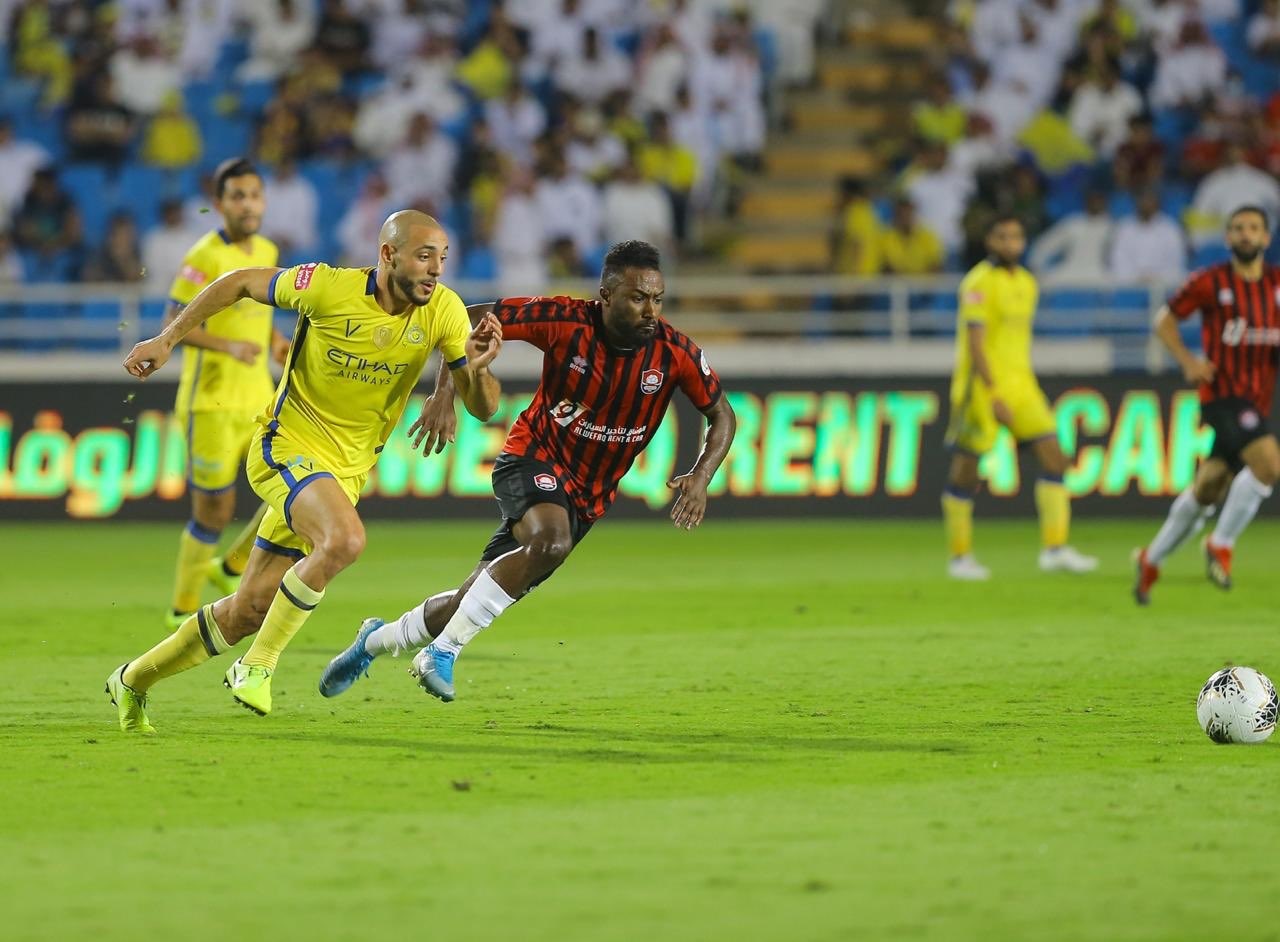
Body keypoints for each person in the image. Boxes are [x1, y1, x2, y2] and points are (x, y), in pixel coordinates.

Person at [106, 210, 502, 731]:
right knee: (344, 542)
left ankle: (133, 680)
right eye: (424, 255)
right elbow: (240, 282)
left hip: (341, 476)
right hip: (285, 447)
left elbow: (484, 407)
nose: (435, 269)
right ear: (388, 255)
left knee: (248, 610)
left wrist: (473, 370)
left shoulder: (444, 311)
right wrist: (167, 339)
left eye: (442, 258)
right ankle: (257, 667)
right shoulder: (327, 287)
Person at [318, 240, 736, 703]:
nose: (649, 311)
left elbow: (723, 414)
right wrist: (446, 391)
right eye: (637, 298)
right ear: (606, 295)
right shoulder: (565, 320)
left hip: (588, 497)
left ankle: (373, 642)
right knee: (550, 542)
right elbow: (464, 317)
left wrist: (701, 473)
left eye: (657, 299)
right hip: (531, 456)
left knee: (468, 600)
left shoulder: (674, 353)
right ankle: (443, 653)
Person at [157, 158, 286, 633]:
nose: (248, 203)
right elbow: (173, 323)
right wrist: (227, 344)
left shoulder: (269, 249)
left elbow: (262, 317)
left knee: (292, 487)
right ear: (220, 204)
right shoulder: (204, 256)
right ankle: (181, 605)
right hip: (209, 402)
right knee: (212, 509)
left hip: (259, 397)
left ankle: (231, 566)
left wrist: (276, 344)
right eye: (237, 196)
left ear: (263, 201)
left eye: (254, 194)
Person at [1133, 206, 1280, 604]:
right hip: (1221, 395)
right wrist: (1189, 362)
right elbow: (1165, 320)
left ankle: (1151, 559)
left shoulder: (1277, 284)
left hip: (1257, 400)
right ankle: (1221, 543)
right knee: (1268, 464)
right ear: (1228, 238)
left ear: (1266, 238)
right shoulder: (1210, 282)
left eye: (1252, 228)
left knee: (1208, 487)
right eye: (1237, 229)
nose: (1245, 234)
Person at [942, 215, 1098, 581]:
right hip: (980, 388)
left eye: (1015, 236)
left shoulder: (1028, 283)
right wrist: (992, 391)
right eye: (1002, 236)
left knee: (1056, 459)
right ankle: (960, 557)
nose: (1009, 243)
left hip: (1022, 385)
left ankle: (1055, 549)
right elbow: (976, 343)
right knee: (967, 470)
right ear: (990, 242)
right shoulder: (978, 282)